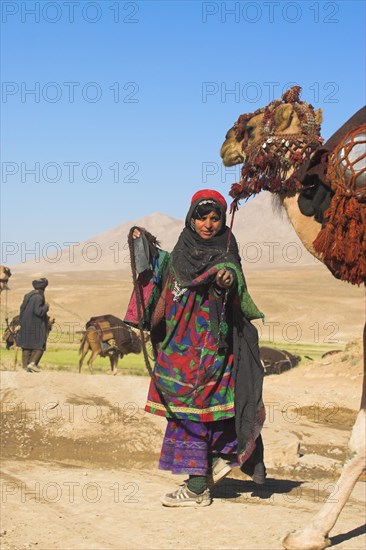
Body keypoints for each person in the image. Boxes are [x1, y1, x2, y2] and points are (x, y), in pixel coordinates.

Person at [138, 189, 266, 507]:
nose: (208, 224)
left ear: (223, 220)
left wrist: (226, 279)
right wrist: (143, 245)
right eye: (201, 217)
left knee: (193, 412)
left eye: (215, 218)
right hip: (177, 347)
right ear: (191, 217)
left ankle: (197, 487)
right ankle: (212, 468)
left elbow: (233, 275)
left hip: (210, 349)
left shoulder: (225, 252)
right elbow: (163, 279)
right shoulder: (181, 248)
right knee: (195, 412)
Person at [17, 278, 50, 373]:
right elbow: (38, 312)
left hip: (25, 324)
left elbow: (21, 309)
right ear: (43, 288)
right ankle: (32, 363)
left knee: (26, 346)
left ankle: (24, 367)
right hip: (36, 326)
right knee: (40, 344)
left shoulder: (27, 295)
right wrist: (46, 307)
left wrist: (21, 323)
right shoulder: (38, 297)